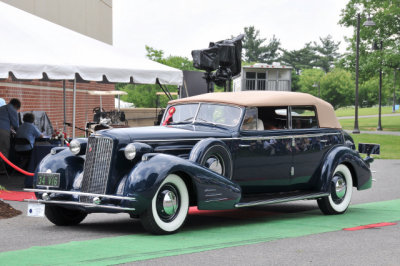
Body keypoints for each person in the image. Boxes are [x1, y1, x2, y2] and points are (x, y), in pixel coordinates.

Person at [0, 98, 21, 174]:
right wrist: (19, 132)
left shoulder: (2, 108)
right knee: (4, 149)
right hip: (3, 131)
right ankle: (2, 169)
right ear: (16, 105)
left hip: (3, 129)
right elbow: (15, 124)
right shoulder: (12, 109)